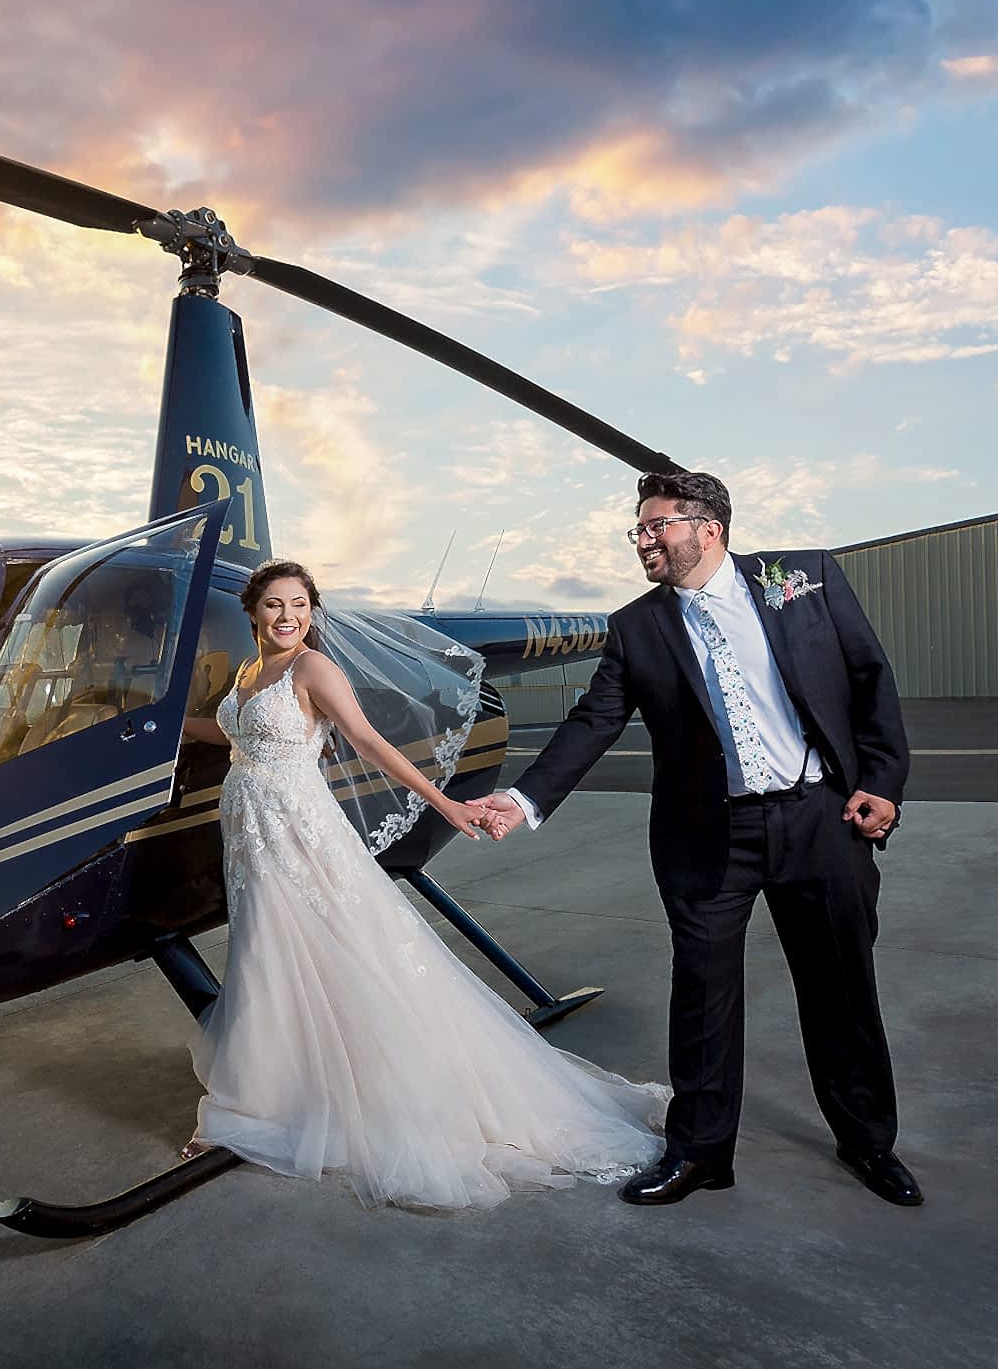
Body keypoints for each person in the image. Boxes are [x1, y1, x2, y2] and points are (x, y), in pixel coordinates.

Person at [469, 469, 921, 1208]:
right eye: (637, 529)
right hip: (712, 834)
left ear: (709, 527)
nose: (643, 540)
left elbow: (871, 677)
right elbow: (594, 720)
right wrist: (522, 798)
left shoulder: (802, 578)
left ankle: (870, 1141)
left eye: (657, 526)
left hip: (819, 818)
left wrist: (882, 782)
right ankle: (701, 1152)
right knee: (703, 993)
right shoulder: (637, 626)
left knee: (841, 987)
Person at [178, 559, 667, 1211]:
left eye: (299, 604)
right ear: (253, 612)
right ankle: (284, 1086)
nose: (287, 615)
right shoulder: (247, 672)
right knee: (264, 951)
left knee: (285, 948)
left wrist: (445, 803)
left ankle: (257, 1105)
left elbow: (368, 740)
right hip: (247, 828)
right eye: (274, 604)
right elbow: (235, 730)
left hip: (296, 828)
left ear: (311, 611)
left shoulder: (313, 669)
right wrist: (172, 727)